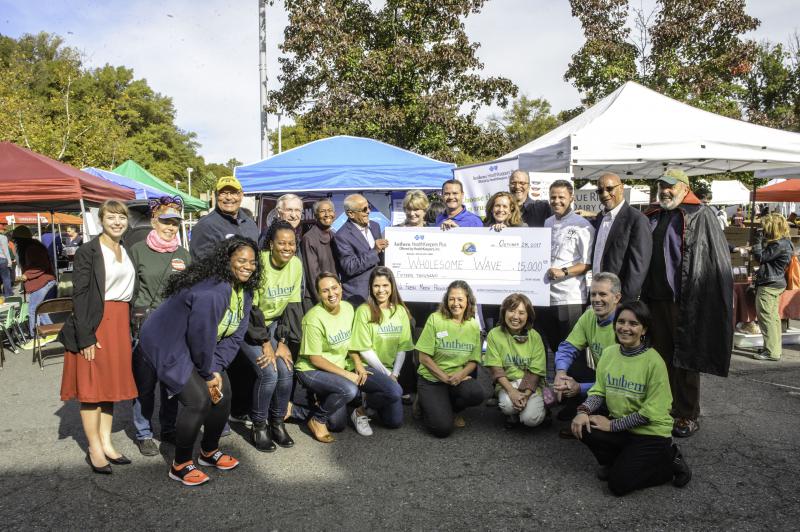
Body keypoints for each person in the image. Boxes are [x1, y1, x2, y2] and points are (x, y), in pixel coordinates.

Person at [135, 236, 260, 486]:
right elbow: (200, 335)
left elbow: (235, 335)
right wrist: (206, 372)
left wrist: (214, 368)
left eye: (253, 262)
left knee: (222, 396)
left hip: (197, 345)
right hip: (167, 342)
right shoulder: (215, 290)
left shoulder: (243, 290)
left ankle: (209, 452)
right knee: (198, 400)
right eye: (241, 260)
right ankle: (180, 464)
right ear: (227, 261)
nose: (248, 266)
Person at [641, 168, 733, 438]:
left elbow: (712, 259)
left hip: (683, 301)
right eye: (661, 186)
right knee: (659, 359)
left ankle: (687, 413)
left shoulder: (700, 215)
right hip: (653, 299)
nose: (665, 191)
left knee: (685, 358)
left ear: (684, 187)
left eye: (670, 186)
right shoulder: (655, 214)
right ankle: (663, 406)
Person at [571, 301, 692, 496]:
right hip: (623, 426)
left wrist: (611, 426)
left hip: (650, 432)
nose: (625, 328)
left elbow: (649, 413)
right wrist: (583, 411)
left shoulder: (654, 362)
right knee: (583, 426)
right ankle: (616, 461)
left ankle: (669, 461)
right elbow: (599, 391)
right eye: (621, 322)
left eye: (633, 324)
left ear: (644, 329)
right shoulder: (609, 354)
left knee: (617, 485)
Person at [59, 200, 139, 474]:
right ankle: (94, 447)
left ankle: (106, 442)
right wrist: (86, 336)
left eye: (121, 218)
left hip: (118, 323)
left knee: (110, 391)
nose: (117, 222)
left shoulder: (125, 249)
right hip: (95, 323)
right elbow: (79, 295)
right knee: (92, 391)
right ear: (101, 221)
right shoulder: (88, 251)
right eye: (111, 217)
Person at [128, 196, 191, 456]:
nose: (170, 227)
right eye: (166, 221)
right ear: (154, 221)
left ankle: (168, 429)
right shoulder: (137, 250)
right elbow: (129, 290)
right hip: (146, 326)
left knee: (170, 386)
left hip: (176, 329)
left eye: (175, 222)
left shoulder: (184, 254)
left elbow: (191, 291)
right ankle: (143, 432)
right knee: (144, 385)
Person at [240, 221, 302, 451]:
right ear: (271, 244)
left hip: (275, 323)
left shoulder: (296, 265)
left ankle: (277, 423)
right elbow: (251, 309)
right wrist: (266, 343)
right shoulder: (260, 264)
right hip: (250, 324)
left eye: (291, 243)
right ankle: (259, 426)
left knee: (286, 369)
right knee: (269, 372)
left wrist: (283, 342)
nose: (287, 247)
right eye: (281, 243)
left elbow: (293, 307)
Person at [293, 273, 359, 443]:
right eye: (325, 291)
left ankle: (295, 411)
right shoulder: (313, 318)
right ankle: (318, 419)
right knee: (349, 389)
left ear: (341, 288)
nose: (331, 294)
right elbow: (315, 359)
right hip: (311, 370)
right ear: (318, 294)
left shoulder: (348, 308)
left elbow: (352, 343)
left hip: (334, 369)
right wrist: (347, 375)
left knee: (337, 424)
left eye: (334, 288)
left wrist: (357, 364)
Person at [415, 280, 485, 437]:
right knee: (442, 429)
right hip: (432, 380)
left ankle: (450, 408)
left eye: (460, 299)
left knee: (476, 393)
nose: (456, 304)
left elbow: (474, 360)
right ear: (446, 300)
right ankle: (424, 403)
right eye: (451, 299)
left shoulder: (473, 325)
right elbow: (423, 357)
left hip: (456, 380)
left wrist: (460, 376)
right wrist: (445, 378)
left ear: (468, 301)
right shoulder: (435, 319)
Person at [553, 273, 622, 429]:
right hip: (602, 377)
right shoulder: (590, 315)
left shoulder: (624, 325)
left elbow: (617, 383)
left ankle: (597, 413)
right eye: (593, 294)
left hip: (620, 386)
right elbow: (568, 347)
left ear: (617, 298)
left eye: (603, 294)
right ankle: (577, 406)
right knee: (568, 365)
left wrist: (580, 388)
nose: (596, 299)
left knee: (594, 428)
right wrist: (561, 373)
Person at [349, 266, 411, 432]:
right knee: (395, 390)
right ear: (370, 287)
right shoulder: (363, 311)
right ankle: (361, 410)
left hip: (391, 372)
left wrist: (395, 374)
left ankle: (374, 401)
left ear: (392, 287)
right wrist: (387, 375)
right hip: (369, 369)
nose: (381, 290)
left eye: (385, 285)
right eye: (376, 286)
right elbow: (364, 349)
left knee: (394, 422)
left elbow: (403, 347)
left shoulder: (400, 311)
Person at [539, 180, 595, 354]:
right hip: (547, 296)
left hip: (571, 298)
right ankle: (557, 380)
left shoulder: (583, 225)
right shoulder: (547, 222)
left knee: (571, 348)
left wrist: (563, 272)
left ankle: (571, 381)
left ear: (571, 198)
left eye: (561, 197)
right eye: (553, 197)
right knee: (554, 347)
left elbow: (587, 263)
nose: (557, 201)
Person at [483, 293, 547, 428]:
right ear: (504, 312)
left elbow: (535, 371)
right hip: (508, 383)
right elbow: (496, 369)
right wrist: (512, 392)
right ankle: (512, 413)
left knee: (530, 420)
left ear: (528, 315)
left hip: (531, 386)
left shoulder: (535, 337)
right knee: (508, 406)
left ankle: (542, 409)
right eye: (511, 311)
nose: (515, 316)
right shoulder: (494, 334)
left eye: (521, 312)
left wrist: (525, 396)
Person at [590, 173, 652, 301]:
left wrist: (626, 301)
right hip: (598, 295)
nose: (605, 194)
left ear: (621, 188)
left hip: (618, 298)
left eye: (609, 189)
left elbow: (638, 266)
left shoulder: (637, 219)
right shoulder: (600, 217)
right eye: (600, 191)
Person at [747, 213, 793, 361]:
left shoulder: (779, 245)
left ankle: (771, 352)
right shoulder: (784, 242)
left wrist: (758, 240)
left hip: (769, 284)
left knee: (767, 319)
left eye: (764, 227)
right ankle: (773, 349)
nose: (763, 229)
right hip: (775, 283)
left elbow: (761, 258)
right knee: (772, 319)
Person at [334, 194, 387, 306]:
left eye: (369, 207)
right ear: (350, 214)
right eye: (364, 209)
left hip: (379, 292)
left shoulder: (375, 226)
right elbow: (350, 266)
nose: (368, 211)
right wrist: (375, 251)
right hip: (358, 295)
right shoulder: (342, 235)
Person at [189, 175, 259, 261]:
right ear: (216, 195)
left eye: (233, 193)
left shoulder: (250, 223)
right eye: (223, 193)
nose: (229, 197)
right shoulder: (205, 226)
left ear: (241, 195)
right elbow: (201, 266)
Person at [11, 225, 57, 335]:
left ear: (22, 240)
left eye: (16, 240)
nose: (15, 242)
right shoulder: (31, 247)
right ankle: (54, 332)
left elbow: (40, 265)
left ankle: (35, 336)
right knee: (40, 309)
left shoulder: (33, 248)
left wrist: (26, 276)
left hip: (44, 281)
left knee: (33, 309)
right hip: (44, 281)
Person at [301, 199, 338, 306]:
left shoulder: (334, 236)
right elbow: (313, 275)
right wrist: (322, 300)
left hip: (332, 295)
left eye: (330, 210)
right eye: (322, 211)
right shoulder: (309, 238)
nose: (327, 214)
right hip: (317, 297)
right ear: (316, 215)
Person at [0, 224, 12, 296]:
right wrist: (9, 262)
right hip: (2, 258)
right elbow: (5, 250)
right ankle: (8, 294)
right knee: (6, 278)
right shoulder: (3, 237)